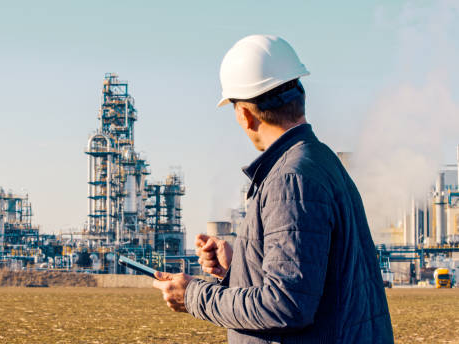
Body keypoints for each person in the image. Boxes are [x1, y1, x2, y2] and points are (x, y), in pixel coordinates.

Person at [152, 35, 394, 343]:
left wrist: (194, 295)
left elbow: (286, 305)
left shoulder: (290, 180)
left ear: (245, 115)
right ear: (300, 93)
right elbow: (311, 283)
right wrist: (238, 267)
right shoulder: (319, 161)